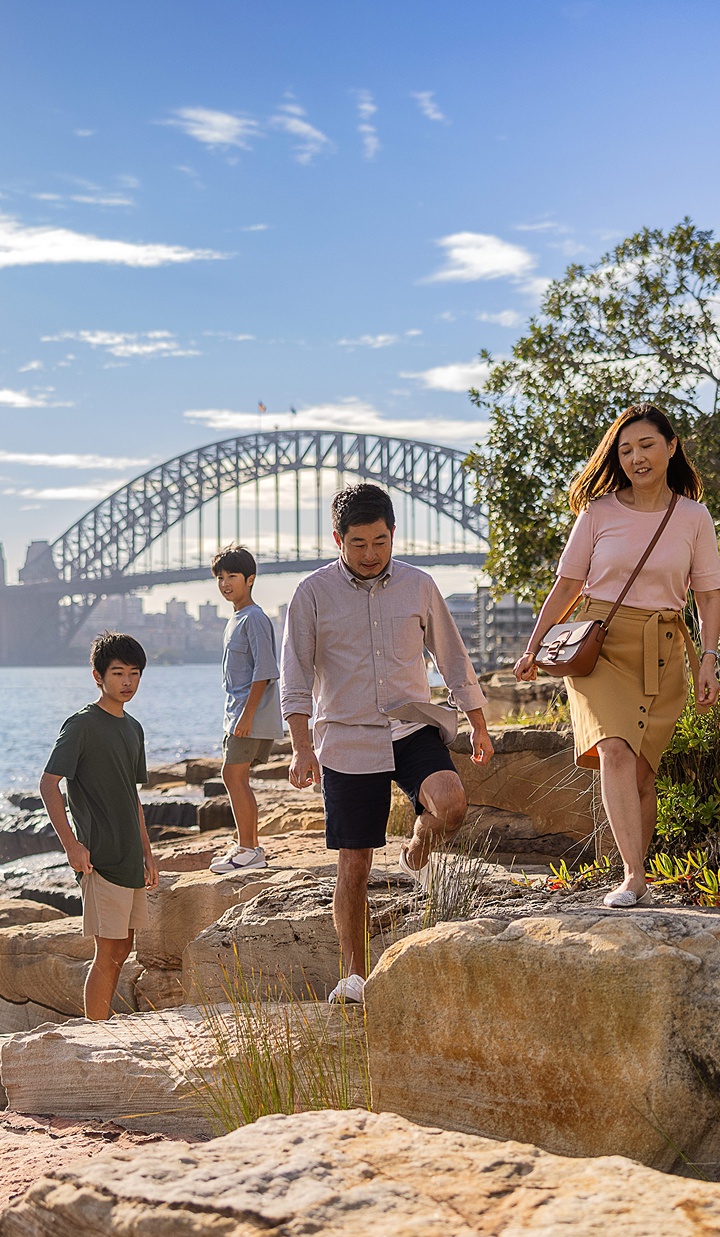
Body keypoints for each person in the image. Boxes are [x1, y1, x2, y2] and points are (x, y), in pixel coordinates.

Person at [280, 482, 494, 1003]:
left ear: (393, 534)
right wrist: (301, 747)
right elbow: (295, 676)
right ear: (337, 538)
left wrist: (479, 722)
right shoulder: (311, 594)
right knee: (354, 864)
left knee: (451, 804)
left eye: (380, 541)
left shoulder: (419, 586)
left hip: (410, 725)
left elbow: (452, 657)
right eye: (358, 544)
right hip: (348, 737)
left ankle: (418, 841)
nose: (370, 554)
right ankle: (354, 977)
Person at [514, 403, 720, 908]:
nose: (636, 458)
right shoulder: (598, 512)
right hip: (600, 646)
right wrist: (535, 645)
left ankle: (637, 870)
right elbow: (567, 584)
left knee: (643, 771)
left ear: (671, 447)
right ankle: (633, 876)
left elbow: (709, 596)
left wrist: (709, 660)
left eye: (646, 446)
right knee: (615, 750)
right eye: (624, 450)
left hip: (665, 648)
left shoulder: (694, 517)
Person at [39, 632, 159, 1021]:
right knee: (106, 953)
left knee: (123, 950)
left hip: (129, 857)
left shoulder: (133, 728)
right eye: (118, 673)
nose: (127, 682)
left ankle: (101, 1024)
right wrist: (71, 846)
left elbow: (132, 796)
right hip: (99, 857)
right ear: (98, 676)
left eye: (135, 673)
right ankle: (97, 1033)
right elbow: (48, 783)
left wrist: (148, 853)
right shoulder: (82, 725)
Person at [209, 544, 284, 874]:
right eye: (220, 577)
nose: (226, 583)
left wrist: (247, 715)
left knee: (233, 776)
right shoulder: (236, 618)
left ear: (250, 579)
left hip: (246, 715)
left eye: (233, 577)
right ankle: (248, 846)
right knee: (236, 777)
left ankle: (250, 849)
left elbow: (265, 670)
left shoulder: (253, 618)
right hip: (237, 714)